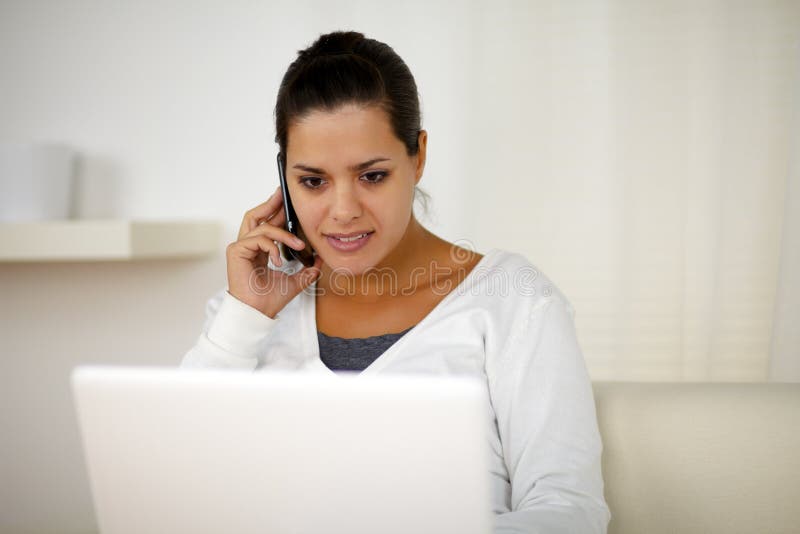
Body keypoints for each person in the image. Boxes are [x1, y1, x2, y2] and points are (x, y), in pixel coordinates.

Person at [182, 30, 610, 533]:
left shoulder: (515, 303)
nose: (342, 211)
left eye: (372, 176)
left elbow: (570, 513)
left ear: (418, 156)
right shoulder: (245, 314)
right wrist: (244, 317)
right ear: (284, 179)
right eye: (313, 181)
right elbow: (174, 489)